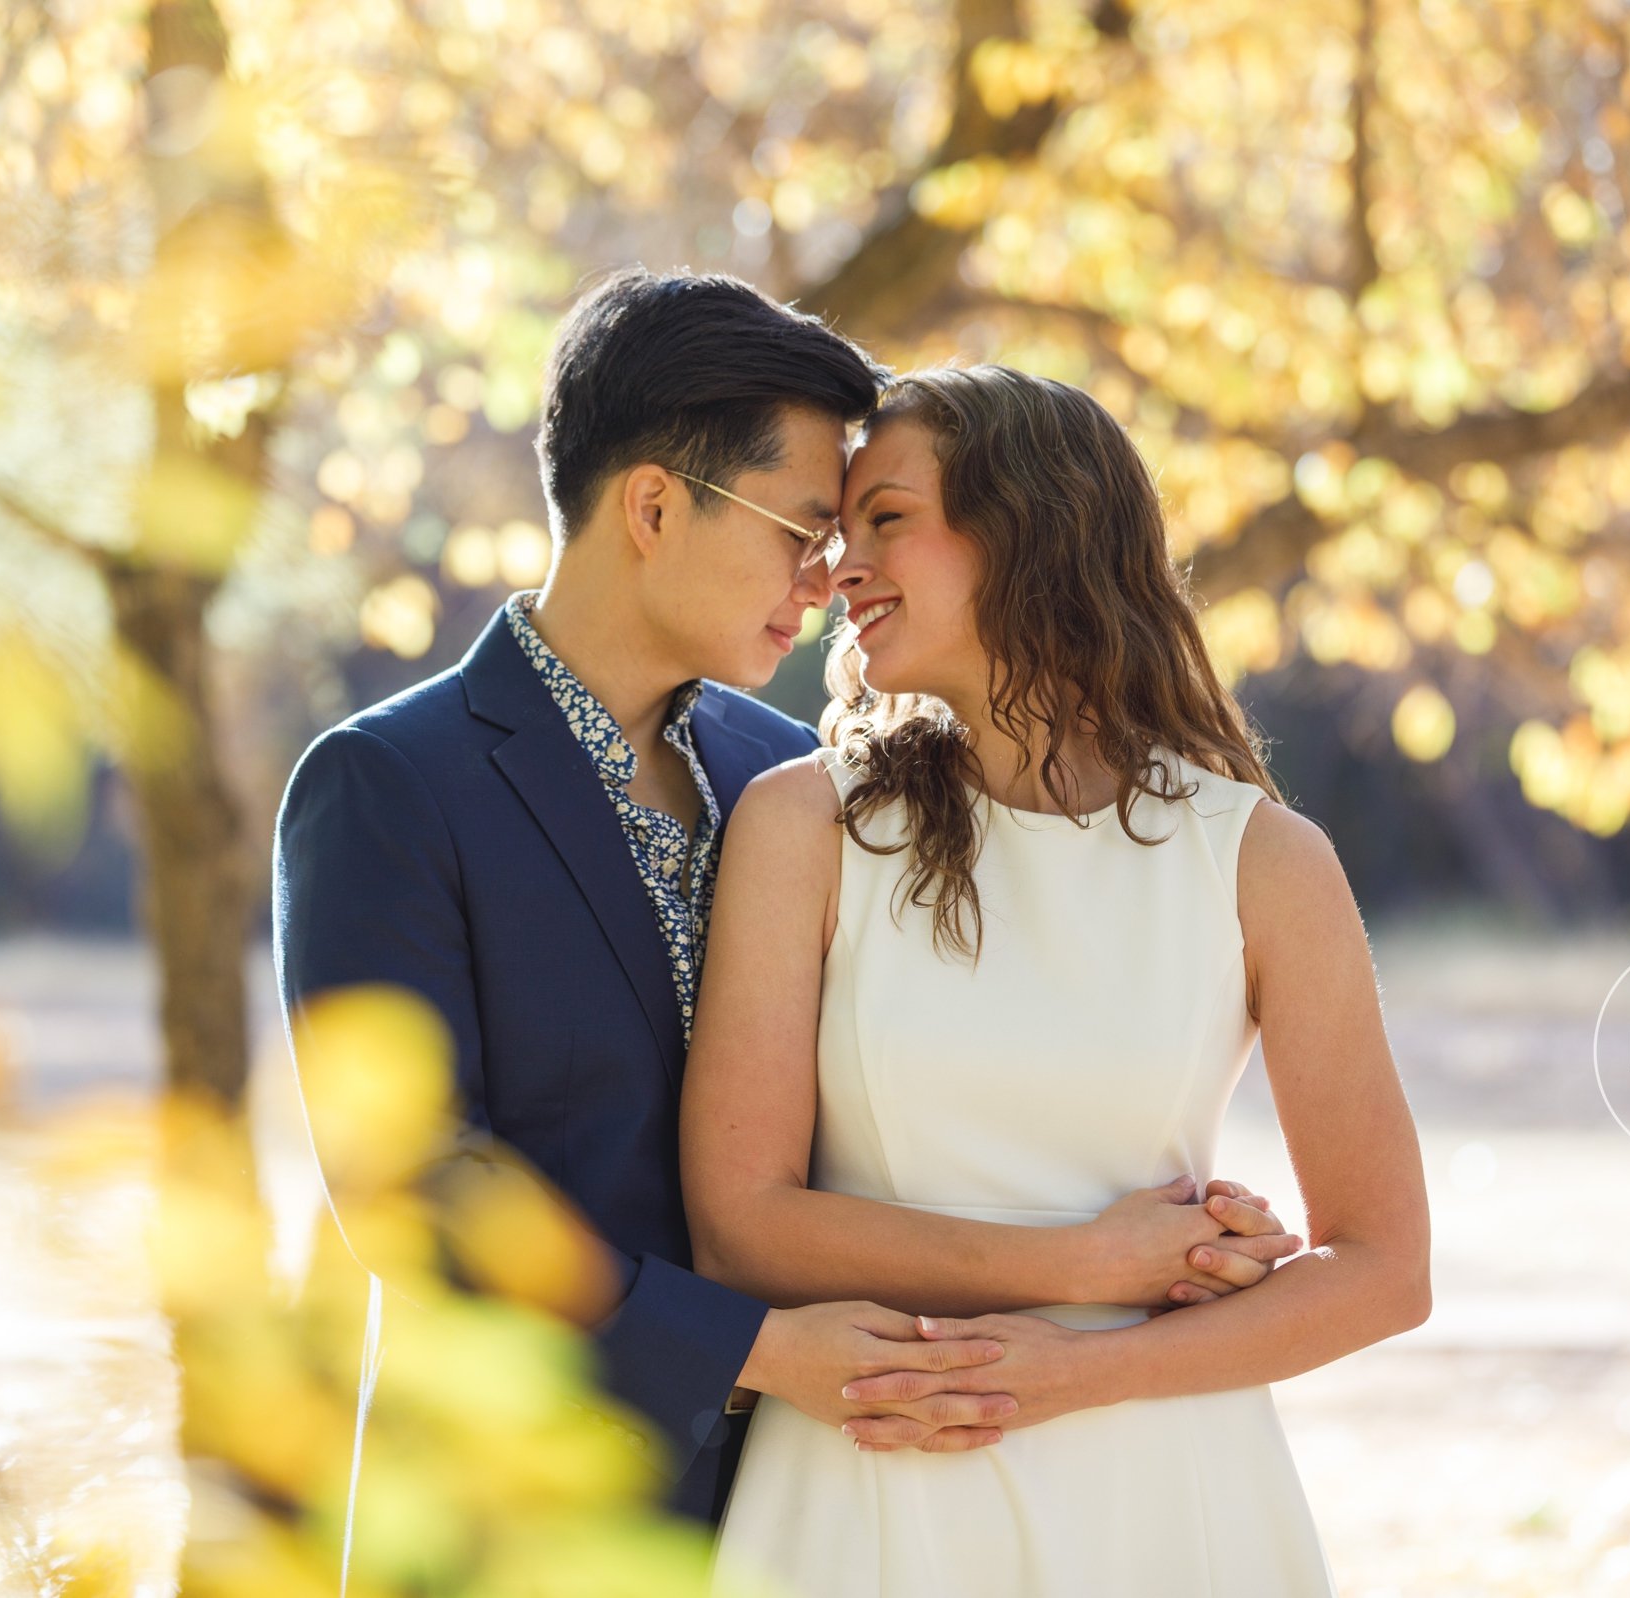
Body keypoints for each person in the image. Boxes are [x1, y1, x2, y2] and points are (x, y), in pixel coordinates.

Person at [271, 270, 1303, 1531]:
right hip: (516, 1517)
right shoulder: (387, 782)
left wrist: (1186, 1239)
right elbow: (415, 1188)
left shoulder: (796, 787)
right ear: (653, 503)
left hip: (811, 1504)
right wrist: (751, 1346)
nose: (827, 580)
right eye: (800, 531)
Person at [685, 364, 1434, 1594]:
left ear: (1029, 529)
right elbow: (740, 1221)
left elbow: (1384, 1267)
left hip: (1162, 1499)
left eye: (888, 520)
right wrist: (1087, 1266)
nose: (839, 571)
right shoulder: (806, 824)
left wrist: (1082, 1371)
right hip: (876, 1481)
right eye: (835, 530)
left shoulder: (1261, 861)